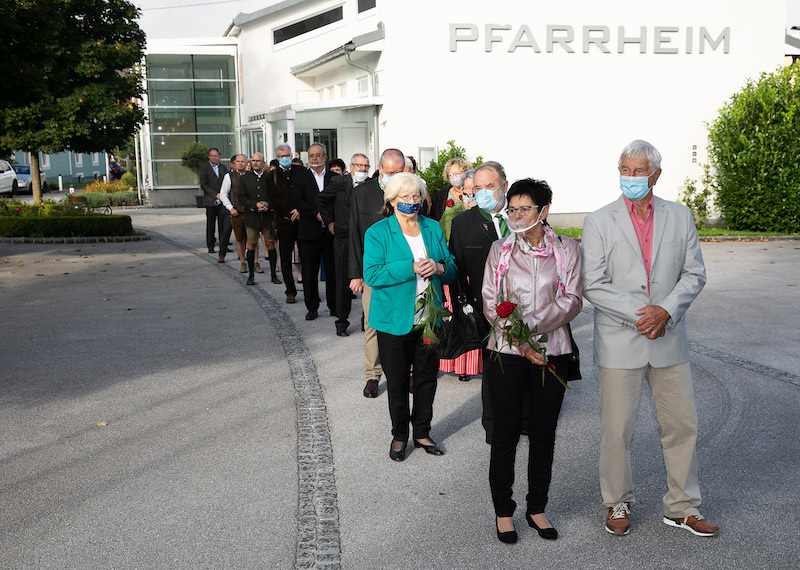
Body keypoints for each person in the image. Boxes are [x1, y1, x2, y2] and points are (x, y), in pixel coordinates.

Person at [581, 139, 718, 538]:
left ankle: (683, 507)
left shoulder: (680, 216)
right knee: (617, 430)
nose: (631, 177)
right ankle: (617, 501)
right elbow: (593, 282)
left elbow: (694, 273)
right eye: (625, 170)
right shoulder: (598, 220)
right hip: (620, 341)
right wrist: (643, 315)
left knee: (682, 426)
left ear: (656, 175)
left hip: (668, 338)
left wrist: (667, 311)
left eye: (639, 171)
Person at [481, 178, 582, 544]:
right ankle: (503, 512)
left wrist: (532, 328)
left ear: (544, 211)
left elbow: (572, 299)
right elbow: (491, 302)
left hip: (552, 352)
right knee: (505, 432)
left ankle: (537, 508)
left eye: (525, 209)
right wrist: (521, 341)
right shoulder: (500, 249)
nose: (517, 216)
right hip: (506, 352)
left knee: (543, 433)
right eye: (512, 209)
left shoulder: (568, 249)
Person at [363, 173, 456, 462]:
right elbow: (372, 274)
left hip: (429, 319)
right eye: (405, 197)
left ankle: (422, 432)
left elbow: (451, 266)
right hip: (393, 321)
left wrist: (439, 268)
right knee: (398, 381)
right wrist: (411, 267)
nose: (412, 202)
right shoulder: (378, 232)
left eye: (416, 196)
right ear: (392, 201)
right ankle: (400, 435)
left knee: (427, 379)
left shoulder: (432, 227)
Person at [449, 161, 511, 442]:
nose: (482, 192)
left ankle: (524, 418)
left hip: (527, 307)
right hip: (485, 309)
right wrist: (464, 311)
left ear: (504, 186)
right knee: (494, 368)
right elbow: (457, 271)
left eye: (489, 186)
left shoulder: (523, 216)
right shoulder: (463, 223)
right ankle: (493, 423)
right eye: (477, 187)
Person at [349, 148, 406, 398]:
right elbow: (354, 233)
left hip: (405, 268)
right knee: (373, 322)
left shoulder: (410, 190)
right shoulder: (361, 193)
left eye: (399, 171)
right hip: (373, 269)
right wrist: (356, 273)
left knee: (405, 320)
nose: (395, 176)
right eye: (390, 172)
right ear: (380, 169)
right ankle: (372, 375)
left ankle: (407, 372)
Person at [318, 152, 371, 336]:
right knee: (342, 281)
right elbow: (321, 199)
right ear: (351, 167)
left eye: (366, 166)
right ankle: (341, 321)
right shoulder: (340, 182)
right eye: (360, 166)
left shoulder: (371, 184)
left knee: (368, 280)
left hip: (366, 239)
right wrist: (330, 222)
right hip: (343, 237)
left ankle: (366, 319)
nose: (363, 169)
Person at [438, 169, 481, 381]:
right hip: (458, 270)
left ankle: (478, 362)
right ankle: (462, 365)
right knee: (462, 314)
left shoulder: (487, 213)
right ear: (461, 190)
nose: (471, 193)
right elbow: (446, 245)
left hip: (480, 271)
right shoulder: (452, 214)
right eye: (467, 189)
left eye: (475, 189)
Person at [292, 142, 336, 320]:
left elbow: (339, 201)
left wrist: (328, 215)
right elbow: (298, 201)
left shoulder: (334, 178)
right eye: (311, 155)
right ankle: (312, 307)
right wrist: (316, 214)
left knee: (333, 271)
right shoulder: (300, 178)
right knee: (309, 272)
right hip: (309, 232)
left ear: (325, 157)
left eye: (318, 155)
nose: (315, 158)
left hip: (331, 232)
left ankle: (334, 305)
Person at [267, 143, 301, 303]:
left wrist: (299, 209)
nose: (284, 158)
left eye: (287, 155)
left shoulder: (301, 171)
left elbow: (307, 192)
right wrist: (289, 212)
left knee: (307, 257)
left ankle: (310, 290)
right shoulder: (271, 176)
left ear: (292, 155)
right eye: (281, 156)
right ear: (277, 157)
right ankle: (290, 291)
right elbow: (273, 199)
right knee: (286, 258)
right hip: (283, 222)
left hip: (302, 220)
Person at [237, 153, 276, 286]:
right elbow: (241, 197)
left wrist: (267, 205)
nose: (255, 163)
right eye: (253, 160)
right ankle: (251, 276)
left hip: (267, 217)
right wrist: (255, 205)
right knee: (251, 245)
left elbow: (275, 195)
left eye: (258, 161)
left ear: (263, 163)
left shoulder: (270, 177)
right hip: (252, 217)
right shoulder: (245, 178)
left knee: (270, 244)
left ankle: (273, 274)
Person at [197, 147, 229, 256]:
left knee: (223, 224)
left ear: (218, 156)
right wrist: (215, 195)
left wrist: (222, 195)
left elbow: (226, 182)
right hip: (210, 200)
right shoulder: (204, 168)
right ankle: (210, 246)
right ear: (208, 156)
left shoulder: (223, 167)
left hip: (222, 200)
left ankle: (223, 245)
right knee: (211, 224)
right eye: (212, 155)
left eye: (216, 155)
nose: (214, 157)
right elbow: (204, 184)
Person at [219, 154, 248, 272]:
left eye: (242, 161)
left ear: (247, 163)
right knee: (236, 237)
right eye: (238, 162)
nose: (240, 163)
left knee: (251, 239)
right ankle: (241, 262)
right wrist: (230, 208)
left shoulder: (251, 175)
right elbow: (223, 194)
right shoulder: (229, 176)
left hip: (250, 212)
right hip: (235, 212)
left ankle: (253, 262)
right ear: (234, 164)